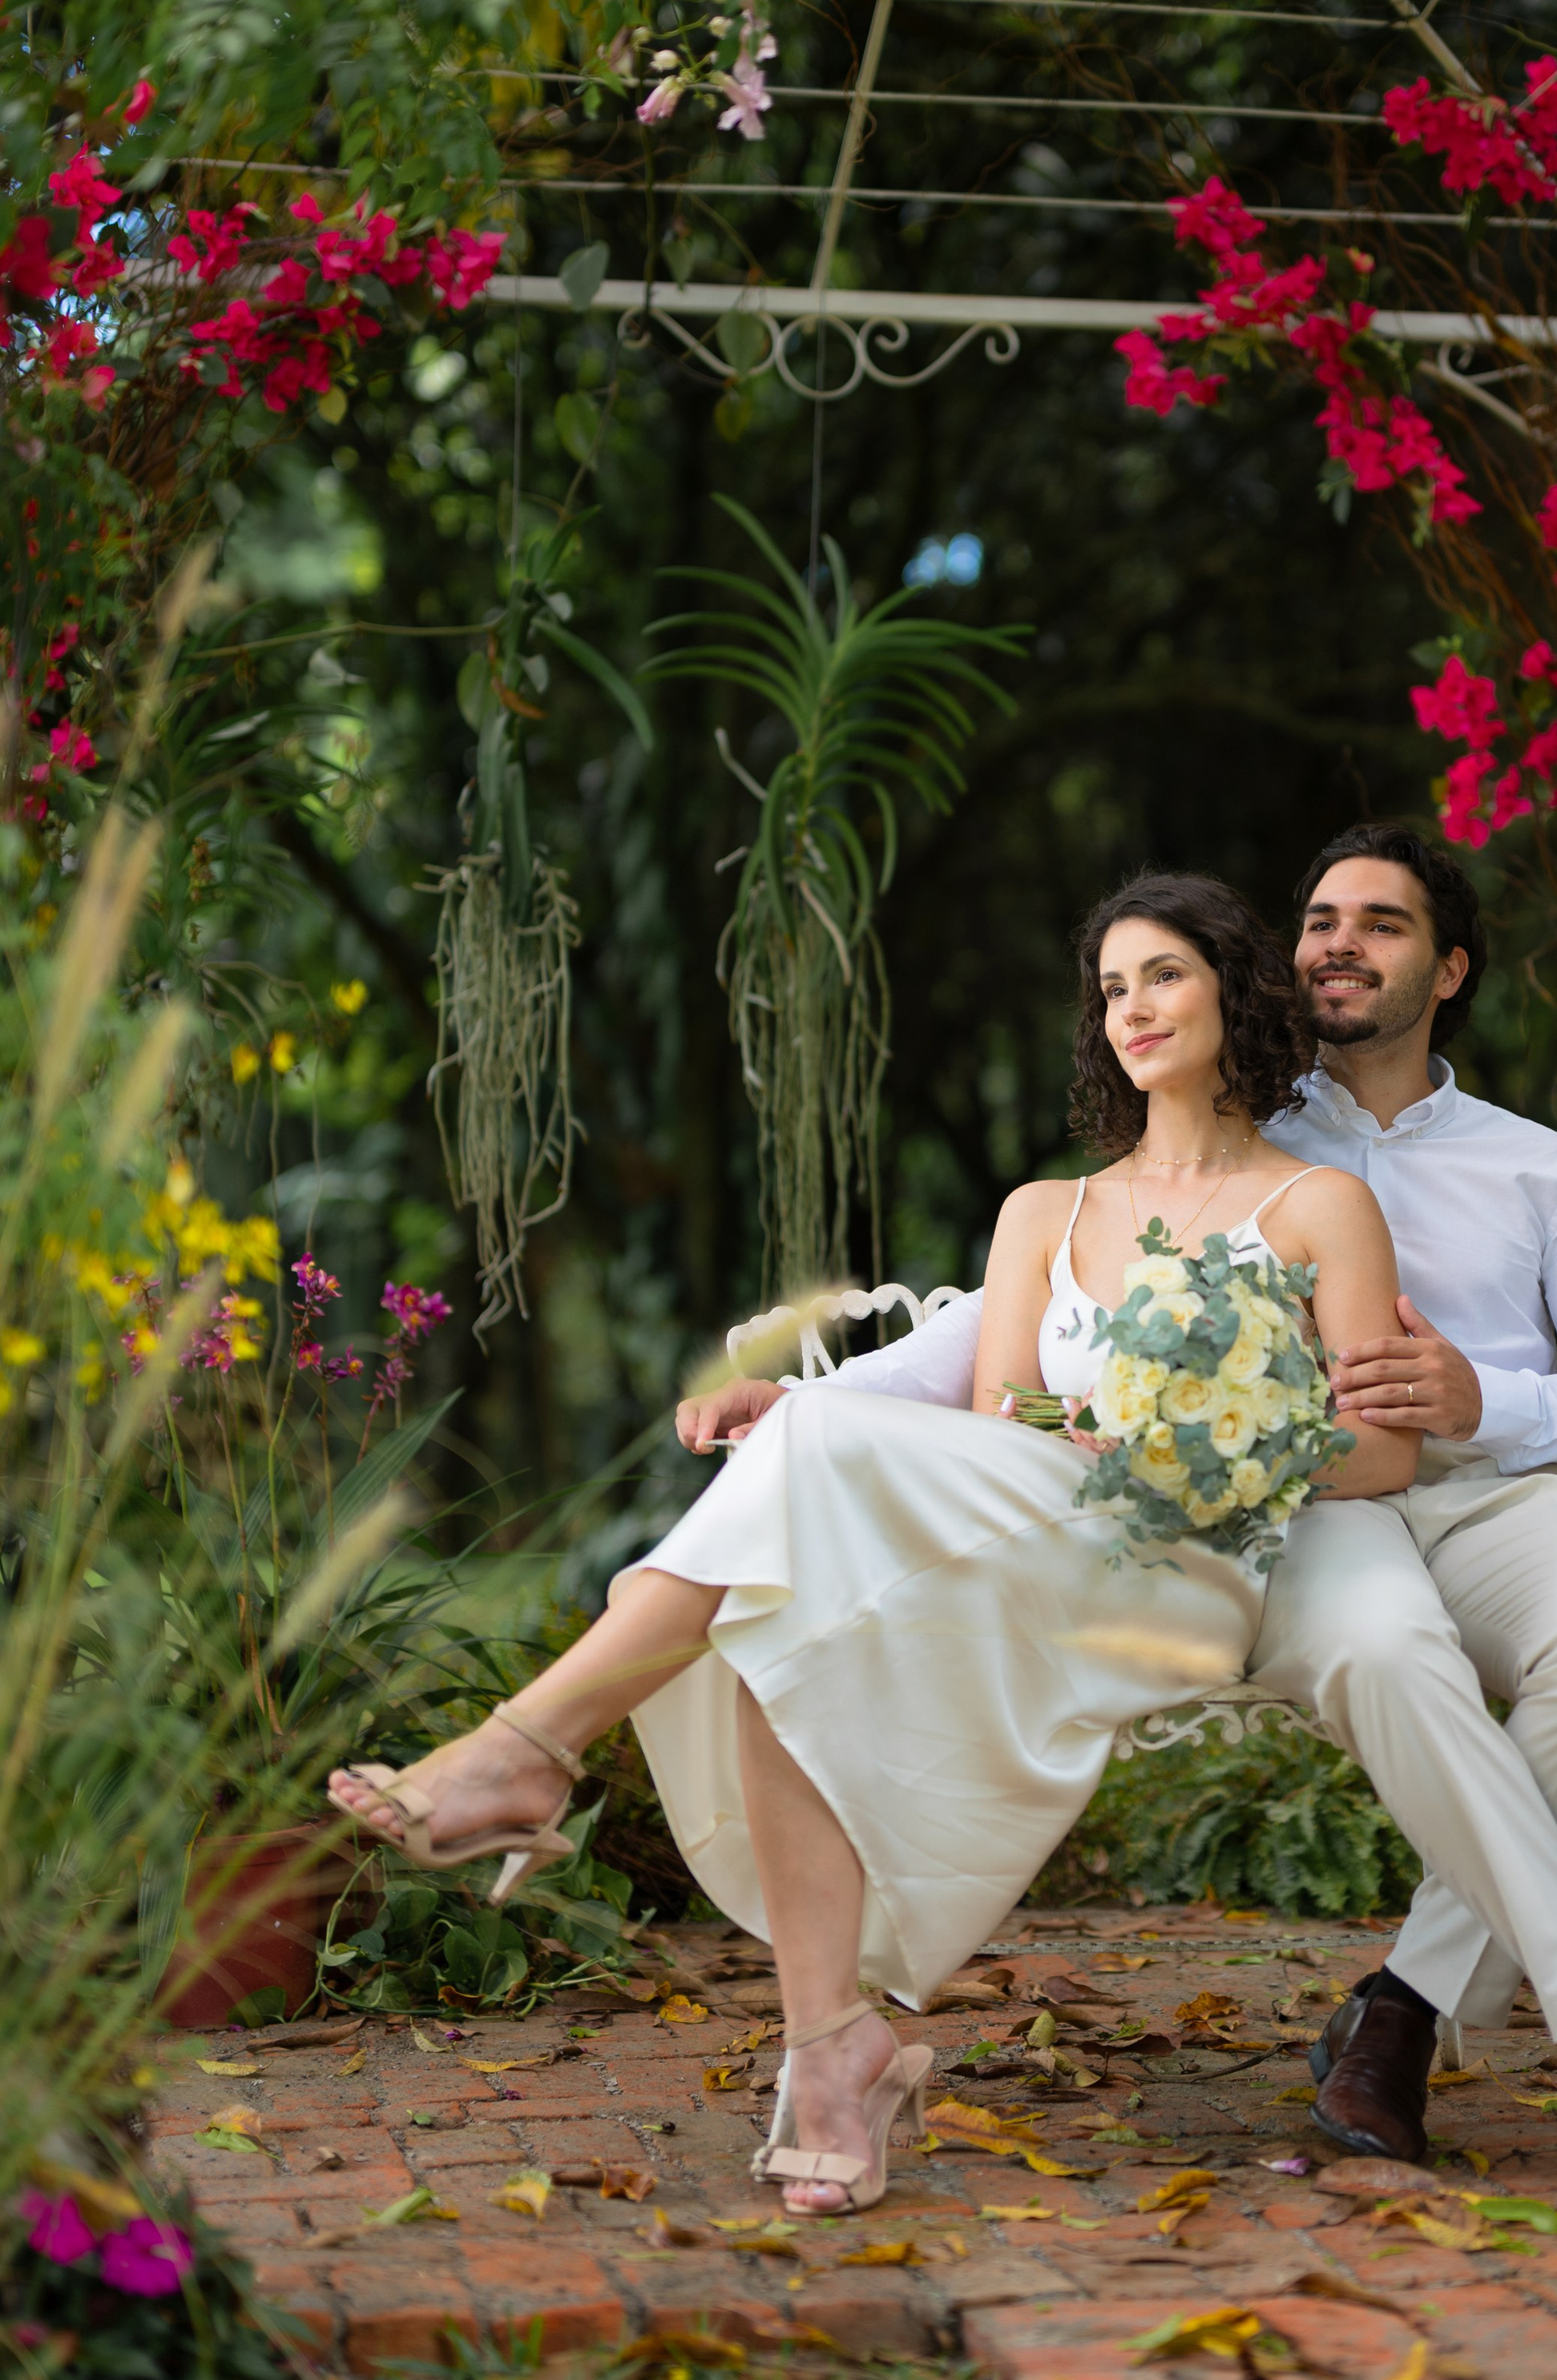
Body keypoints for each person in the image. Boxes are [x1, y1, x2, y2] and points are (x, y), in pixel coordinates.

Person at [680, 825, 1557, 2207]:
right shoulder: (1239, 1119)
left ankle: (1401, 2007)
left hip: (1491, 1488)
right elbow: (1005, 1334)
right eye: (1320, 919)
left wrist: (1479, 1399)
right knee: (1385, 1656)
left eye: (1382, 924)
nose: (1339, 943)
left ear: (1451, 969)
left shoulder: (1535, 1166)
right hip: (1310, 1502)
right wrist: (816, 1402)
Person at [330, 873, 1422, 2221]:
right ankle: (826, 2050)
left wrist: (1200, 1444)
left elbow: (1384, 1452)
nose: (1133, 1008)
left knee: (800, 1489)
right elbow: (999, 1422)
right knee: (792, 1607)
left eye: (1164, 976)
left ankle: (529, 1750)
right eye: (1112, 988)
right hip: (1028, 1535)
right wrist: (1026, 1426)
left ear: (1231, 989)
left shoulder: (1319, 1207)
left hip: (1182, 1571)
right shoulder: (1045, 1212)